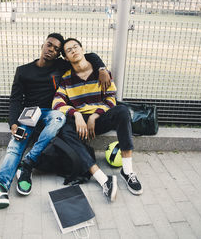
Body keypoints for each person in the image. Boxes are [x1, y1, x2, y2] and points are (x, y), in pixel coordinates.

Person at [0, 33, 110, 209]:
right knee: (16, 145)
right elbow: (15, 100)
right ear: (43, 45)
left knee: (59, 117)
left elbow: (90, 56)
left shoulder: (60, 65)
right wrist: (14, 125)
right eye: (50, 45)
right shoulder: (23, 71)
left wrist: (101, 68)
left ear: (58, 54)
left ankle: (27, 165)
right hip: (29, 114)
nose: (52, 50)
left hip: (51, 113)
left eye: (56, 49)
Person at [53, 38, 143, 202]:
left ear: (82, 49)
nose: (73, 50)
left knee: (122, 111)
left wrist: (96, 115)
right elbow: (57, 102)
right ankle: (103, 179)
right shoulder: (66, 78)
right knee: (65, 129)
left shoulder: (101, 73)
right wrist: (77, 115)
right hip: (80, 122)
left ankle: (128, 171)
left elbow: (111, 98)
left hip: (99, 118)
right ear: (66, 57)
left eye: (76, 47)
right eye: (69, 50)